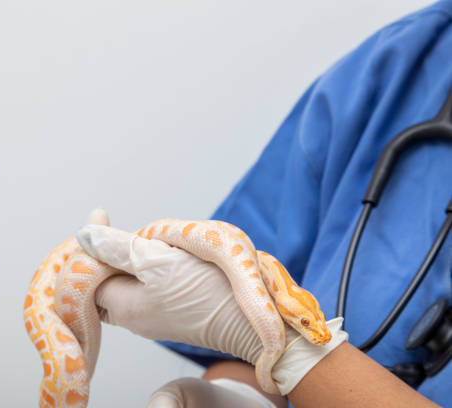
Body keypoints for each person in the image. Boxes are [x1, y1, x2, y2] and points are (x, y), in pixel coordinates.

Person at [77, 1, 452, 406]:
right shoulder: (405, 60)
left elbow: (250, 323)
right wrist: (234, 396)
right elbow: (234, 353)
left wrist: (297, 352)